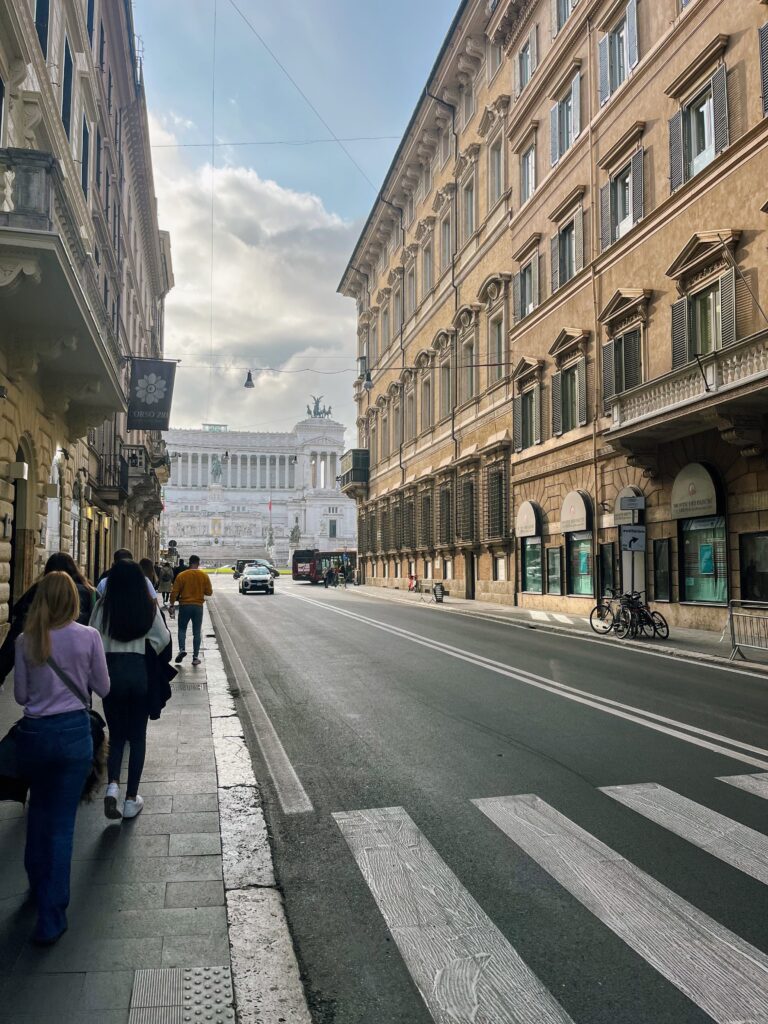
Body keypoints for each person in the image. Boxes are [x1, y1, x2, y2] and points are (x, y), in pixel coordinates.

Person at [14, 572, 110, 945]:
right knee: (61, 825)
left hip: (34, 735)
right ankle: (51, 917)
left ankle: (37, 887)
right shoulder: (88, 637)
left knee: (37, 812)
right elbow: (103, 687)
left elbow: (21, 696)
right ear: (73, 600)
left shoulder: (26, 640)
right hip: (72, 735)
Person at [90, 560, 170, 819]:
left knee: (116, 735)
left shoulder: (103, 607)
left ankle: (112, 785)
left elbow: (92, 635)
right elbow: (163, 640)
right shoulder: (147, 606)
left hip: (110, 675)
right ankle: (131, 799)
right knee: (137, 738)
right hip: (139, 675)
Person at [0, 553, 94, 686]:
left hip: (44, 667)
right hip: (79, 674)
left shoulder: (38, 591)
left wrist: (2, 669)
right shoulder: (89, 593)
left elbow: (17, 631)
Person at [169, 555, 212, 667]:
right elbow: (209, 592)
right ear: (198, 563)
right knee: (197, 632)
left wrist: (172, 604)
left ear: (189, 562)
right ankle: (195, 657)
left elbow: (174, 592)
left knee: (182, 629)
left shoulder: (182, 575)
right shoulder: (204, 575)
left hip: (185, 606)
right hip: (198, 606)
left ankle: (182, 649)